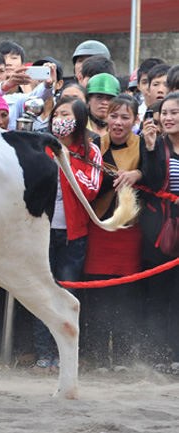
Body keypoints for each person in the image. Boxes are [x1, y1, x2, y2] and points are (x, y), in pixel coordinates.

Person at [33, 97, 102, 373]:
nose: (60, 118)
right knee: (41, 294)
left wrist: (67, 159)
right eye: (57, 113)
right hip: (41, 233)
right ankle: (42, 353)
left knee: (68, 295)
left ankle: (64, 354)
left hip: (73, 235)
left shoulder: (91, 152)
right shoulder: (40, 148)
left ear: (79, 119)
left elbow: (90, 189)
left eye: (66, 114)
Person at [81, 95, 147, 369]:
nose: (118, 122)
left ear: (135, 121)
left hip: (130, 232)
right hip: (98, 228)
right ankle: (95, 356)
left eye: (125, 117)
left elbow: (155, 173)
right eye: (114, 116)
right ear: (105, 118)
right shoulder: (94, 145)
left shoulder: (144, 147)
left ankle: (121, 356)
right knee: (96, 294)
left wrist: (138, 175)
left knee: (125, 296)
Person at [139, 92, 179, 369]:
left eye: (175, 112)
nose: (168, 118)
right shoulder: (155, 144)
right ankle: (155, 356)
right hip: (162, 230)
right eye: (164, 113)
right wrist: (151, 148)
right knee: (158, 295)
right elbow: (152, 182)